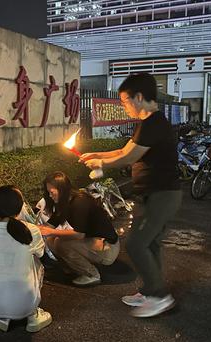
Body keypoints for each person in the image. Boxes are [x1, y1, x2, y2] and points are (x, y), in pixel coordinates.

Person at [80, 72, 182, 318]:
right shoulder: (146, 124)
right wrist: (97, 156)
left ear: (138, 97)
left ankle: (161, 298)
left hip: (162, 194)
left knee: (137, 244)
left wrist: (102, 166)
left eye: (125, 100)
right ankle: (150, 291)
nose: (124, 106)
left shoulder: (154, 123)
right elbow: (125, 149)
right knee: (151, 244)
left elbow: (129, 157)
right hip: (150, 194)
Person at [0, 185, 52, 332]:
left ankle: (0, 318)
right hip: (26, 305)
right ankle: (33, 316)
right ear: (20, 206)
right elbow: (43, 258)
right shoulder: (32, 230)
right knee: (36, 259)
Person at [38, 171, 120, 287]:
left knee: (61, 244)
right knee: (52, 239)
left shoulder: (80, 202)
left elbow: (79, 234)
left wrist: (51, 231)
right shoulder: (64, 202)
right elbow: (51, 224)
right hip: (94, 241)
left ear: (62, 189)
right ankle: (72, 268)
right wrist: (33, 229)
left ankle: (92, 275)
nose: (50, 196)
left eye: (52, 192)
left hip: (107, 247)